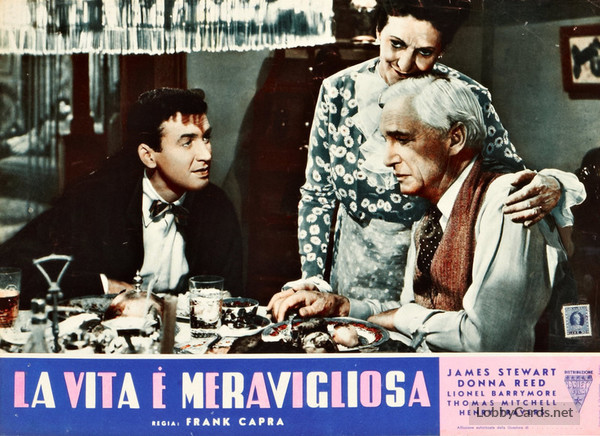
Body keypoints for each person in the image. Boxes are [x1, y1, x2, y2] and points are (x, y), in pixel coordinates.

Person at [278, 0, 583, 316]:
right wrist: (313, 277)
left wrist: (555, 184)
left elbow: (508, 172)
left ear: (442, 50)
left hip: (430, 263)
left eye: (424, 52)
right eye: (396, 44)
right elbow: (318, 195)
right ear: (378, 30)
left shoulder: (467, 95)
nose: (405, 63)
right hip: (353, 264)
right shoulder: (337, 91)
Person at [277, 74, 577, 352]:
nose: (387, 159)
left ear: (455, 138)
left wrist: (402, 317)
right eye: (386, 140)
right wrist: (342, 307)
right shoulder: (430, 213)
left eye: (403, 139)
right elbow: (416, 310)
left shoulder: (507, 202)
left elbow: (488, 339)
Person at [0, 88, 243, 305]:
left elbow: (230, 293)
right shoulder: (95, 201)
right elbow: (12, 267)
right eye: (187, 142)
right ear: (148, 156)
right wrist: (105, 285)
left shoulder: (217, 206)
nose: (206, 154)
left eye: (206, 138)